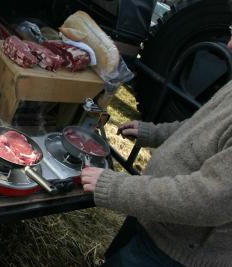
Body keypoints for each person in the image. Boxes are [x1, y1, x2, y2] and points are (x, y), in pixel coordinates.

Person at [81, 37, 232, 266]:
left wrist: (115, 188)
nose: (229, 45)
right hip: (154, 215)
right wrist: (153, 133)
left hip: (173, 252)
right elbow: (201, 127)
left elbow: (211, 198)